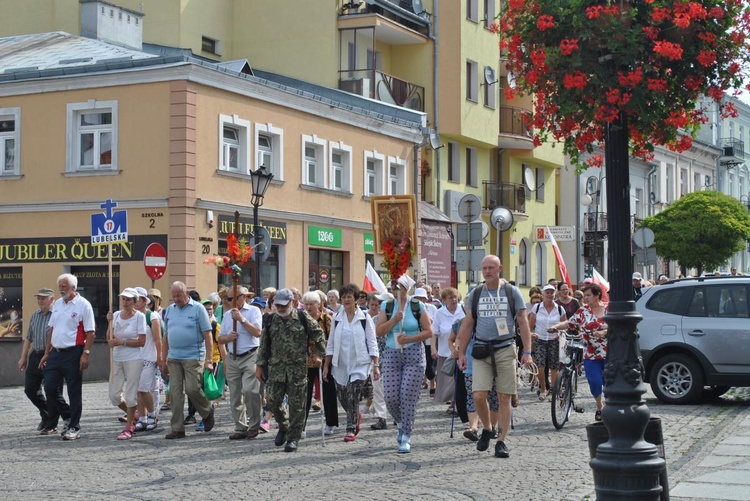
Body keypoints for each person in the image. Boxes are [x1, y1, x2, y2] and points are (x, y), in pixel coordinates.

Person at [456, 255, 533, 459]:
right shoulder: (476, 293)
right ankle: (487, 428)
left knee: (504, 396)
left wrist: (527, 351)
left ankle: (501, 441)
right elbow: (467, 324)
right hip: (481, 350)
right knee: (478, 395)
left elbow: (523, 322)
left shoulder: (511, 291)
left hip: (505, 348)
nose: (487, 271)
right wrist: (461, 352)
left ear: (500, 268)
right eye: (484, 268)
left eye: (491, 267)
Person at [256, 289, 326, 452]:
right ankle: (284, 426)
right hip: (276, 368)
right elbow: (264, 344)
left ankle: (293, 438)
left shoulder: (302, 317)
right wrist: (259, 365)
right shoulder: (270, 319)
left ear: (292, 303)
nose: (280, 308)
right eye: (277, 305)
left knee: (297, 406)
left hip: (297, 369)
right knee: (272, 400)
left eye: (283, 305)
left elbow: (319, 335)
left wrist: (318, 355)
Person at [375, 274, 433, 453]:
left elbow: (429, 331)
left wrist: (410, 338)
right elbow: (378, 331)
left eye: (399, 287)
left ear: (406, 289)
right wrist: (394, 320)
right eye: (393, 287)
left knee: (407, 395)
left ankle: (406, 435)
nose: (396, 291)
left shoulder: (417, 306)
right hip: (392, 352)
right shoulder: (387, 306)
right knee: (391, 397)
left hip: (413, 352)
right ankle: (401, 422)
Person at [40, 273, 96, 441]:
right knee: (49, 387)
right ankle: (68, 415)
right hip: (56, 353)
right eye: (60, 286)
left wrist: (85, 354)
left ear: (73, 287)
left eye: (64, 286)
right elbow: (52, 329)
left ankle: (74, 427)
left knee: (74, 391)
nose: (61, 288)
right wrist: (46, 352)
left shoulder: (83, 305)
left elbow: (91, 332)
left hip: (74, 352)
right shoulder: (57, 304)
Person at [323, 284, 379, 442]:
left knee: (352, 395)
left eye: (349, 296)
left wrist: (375, 365)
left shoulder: (364, 318)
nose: (346, 299)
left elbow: (372, 342)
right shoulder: (336, 318)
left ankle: (350, 428)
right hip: (340, 364)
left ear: (356, 300)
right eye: (344, 297)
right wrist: (327, 365)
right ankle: (355, 415)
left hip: (360, 363)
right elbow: (331, 343)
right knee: (342, 397)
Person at [160, 281, 216, 439]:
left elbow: (208, 335)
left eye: (179, 295)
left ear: (187, 293)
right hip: (174, 357)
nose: (176, 299)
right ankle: (177, 428)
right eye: (173, 296)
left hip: (193, 355)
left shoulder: (198, 309)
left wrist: (209, 360)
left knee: (192, 389)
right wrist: (163, 359)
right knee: (175, 394)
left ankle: (207, 412)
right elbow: (166, 336)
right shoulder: (169, 310)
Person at [553, 284, 608, 421]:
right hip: (590, 353)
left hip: (609, 352)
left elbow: (617, 327)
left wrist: (604, 332)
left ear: (597, 295)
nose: (586, 298)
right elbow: (569, 323)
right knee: (594, 381)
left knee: (609, 383)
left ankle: (610, 407)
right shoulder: (583, 311)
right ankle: (599, 406)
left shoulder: (608, 309)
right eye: (585, 296)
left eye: (589, 295)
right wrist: (555, 327)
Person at [218, 285, 263, 440]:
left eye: (232, 298)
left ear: (243, 297)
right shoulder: (226, 315)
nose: (229, 302)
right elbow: (220, 338)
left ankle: (254, 424)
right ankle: (240, 427)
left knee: (250, 390)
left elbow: (257, 332)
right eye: (228, 299)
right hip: (233, 356)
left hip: (250, 354)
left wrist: (242, 320)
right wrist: (228, 338)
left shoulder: (253, 311)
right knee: (235, 394)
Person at [17, 287, 60, 435]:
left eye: (43, 298)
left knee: (51, 389)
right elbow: (29, 337)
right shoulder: (35, 315)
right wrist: (23, 357)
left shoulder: (57, 315)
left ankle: (51, 425)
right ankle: (46, 413)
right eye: (39, 298)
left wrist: (49, 354)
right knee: (30, 389)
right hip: (35, 355)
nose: (40, 300)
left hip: (52, 355)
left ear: (52, 299)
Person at [107, 288, 147, 440]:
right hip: (117, 358)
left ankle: (129, 427)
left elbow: (141, 341)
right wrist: (109, 322)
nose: (125, 302)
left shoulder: (139, 317)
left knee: (131, 395)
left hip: (133, 359)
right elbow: (109, 339)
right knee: (114, 396)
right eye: (123, 299)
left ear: (135, 302)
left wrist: (122, 341)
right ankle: (134, 413)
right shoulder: (116, 315)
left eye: (128, 299)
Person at [300, 291, 338, 437]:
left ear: (319, 305)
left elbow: (333, 340)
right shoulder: (301, 319)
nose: (308, 307)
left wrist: (320, 346)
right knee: (304, 395)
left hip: (324, 360)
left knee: (328, 392)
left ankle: (330, 422)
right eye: (306, 304)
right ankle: (301, 426)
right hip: (306, 361)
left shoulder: (327, 319)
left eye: (311, 304)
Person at [528, 284, 566, 400]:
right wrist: (530, 333)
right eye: (547, 292)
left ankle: (554, 391)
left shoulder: (559, 308)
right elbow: (530, 325)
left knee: (554, 366)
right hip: (540, 339)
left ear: (555, 295)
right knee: (540, 365)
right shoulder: (537, 308)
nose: (549, 295)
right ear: (543, 295)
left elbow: (565, 325)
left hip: (554, 340)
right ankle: (543, 389)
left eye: (552, 292)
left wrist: (560, 333)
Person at [133, 287, 162, 433]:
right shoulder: (133, 316)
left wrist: (159, 357)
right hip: (134, 358)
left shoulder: (152, 316)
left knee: (144, 389)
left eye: (137, 299)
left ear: (145, 301)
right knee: (138, 391)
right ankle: (142, 418)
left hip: (149, 357)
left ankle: (152, 415)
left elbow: (158, 339)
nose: (135, 303)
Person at [431, 287, 465, 406]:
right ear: (444, 299)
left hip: (461, 352)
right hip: (445, 352)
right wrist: (433, 349)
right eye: (451, 298)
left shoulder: (463, 310)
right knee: (447, 382)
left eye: (455, 297)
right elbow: (434, 332)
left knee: (458, 381)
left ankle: (456, 403)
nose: (454, 300)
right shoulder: (439, 312)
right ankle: (453, 402)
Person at [367, 293, 388, 431]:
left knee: (392, 390)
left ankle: (397, 415)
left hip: (392, 358)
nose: (375, 308)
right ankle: (382, 417)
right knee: (378, 389)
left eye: (378, 305)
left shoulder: (394, 320)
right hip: (376, 358)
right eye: (373, 305)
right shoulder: (372, 320)